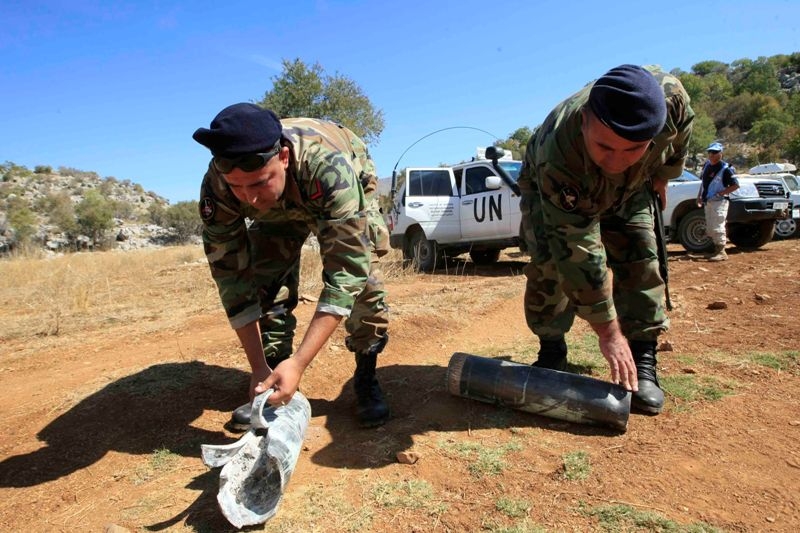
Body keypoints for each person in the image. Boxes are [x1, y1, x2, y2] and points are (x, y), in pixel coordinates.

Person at [192, 103, 391, 429]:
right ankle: (271, 382)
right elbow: (231, 278)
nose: (248, 199)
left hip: (337, 173)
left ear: (283, 158)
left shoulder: (328, 169)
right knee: (264, 280)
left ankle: (366, 376)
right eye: (236, 187)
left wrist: (299, 362)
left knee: (365, 283)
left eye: (258, 183)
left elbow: (348, 271)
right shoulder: (217, 185)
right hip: (285, 200)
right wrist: (257, 366)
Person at [518, 64, 694, 414]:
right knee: (551, 262)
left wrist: (663, 174)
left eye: (632, 149)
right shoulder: (559, 153)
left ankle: (643, 361)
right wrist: (608, 333)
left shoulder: (670, 98)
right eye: (605, 146)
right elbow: (580, 250)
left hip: (635, 186)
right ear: (585, 120)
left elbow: (682, 131)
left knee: (641, 254)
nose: (615, 161)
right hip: (555, 185)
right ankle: (552, 349)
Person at [696, 142, 739, 261]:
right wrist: (699, 196)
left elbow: (735, 185)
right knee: (710, 226)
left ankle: (721, 251)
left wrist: (720, 193)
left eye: (715, 152)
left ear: (721, 153)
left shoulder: (726, 169)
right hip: (708, 201)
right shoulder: (706, 166)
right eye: (710, 152)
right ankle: (716, 250)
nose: (711, 155)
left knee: (718, 224)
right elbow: (703, 183)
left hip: (719, 202)